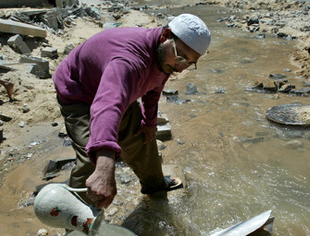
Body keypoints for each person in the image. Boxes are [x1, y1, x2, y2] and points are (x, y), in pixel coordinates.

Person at [53, 13, 211, 209]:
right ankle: (76, 221)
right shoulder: (129, 62)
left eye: (190, 63)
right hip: (80, 94)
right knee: (91, 158)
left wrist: (150, 122)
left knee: (144, 140)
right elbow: (107, 105)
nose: (181, 68)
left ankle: (155, 188)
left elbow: (154, 86)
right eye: (181, 58)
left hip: (119, 92)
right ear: (166, 36)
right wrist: (104, 166)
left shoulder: (166, 56)